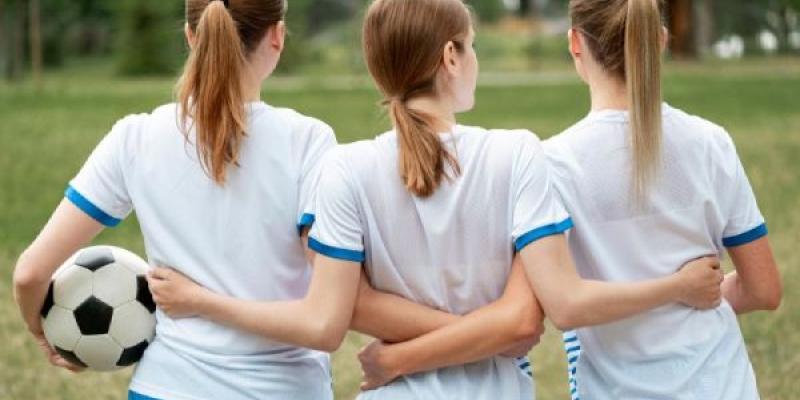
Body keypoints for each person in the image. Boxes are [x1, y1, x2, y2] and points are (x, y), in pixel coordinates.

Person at [146, 1, 725, 399]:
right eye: (470, 47)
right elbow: (522, 324)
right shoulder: (519, 155)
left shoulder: (344, 168)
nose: (473, 59)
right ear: (451, 57)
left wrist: (400, 358)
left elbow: (347, 307)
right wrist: (484, 332)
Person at [14, 0, 341, 398]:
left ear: (190, 37)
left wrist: (47, 334)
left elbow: (30, 274)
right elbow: (324, 319)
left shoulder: (134, 137)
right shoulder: (308, 142)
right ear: (278, 36)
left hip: (166, 388)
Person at [545, 0, 783, 398]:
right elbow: (763, 290)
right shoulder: (711, 143)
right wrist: (680, 293)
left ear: (575, 43)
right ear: (659, 41)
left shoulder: (552, 163)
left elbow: (560, 303)